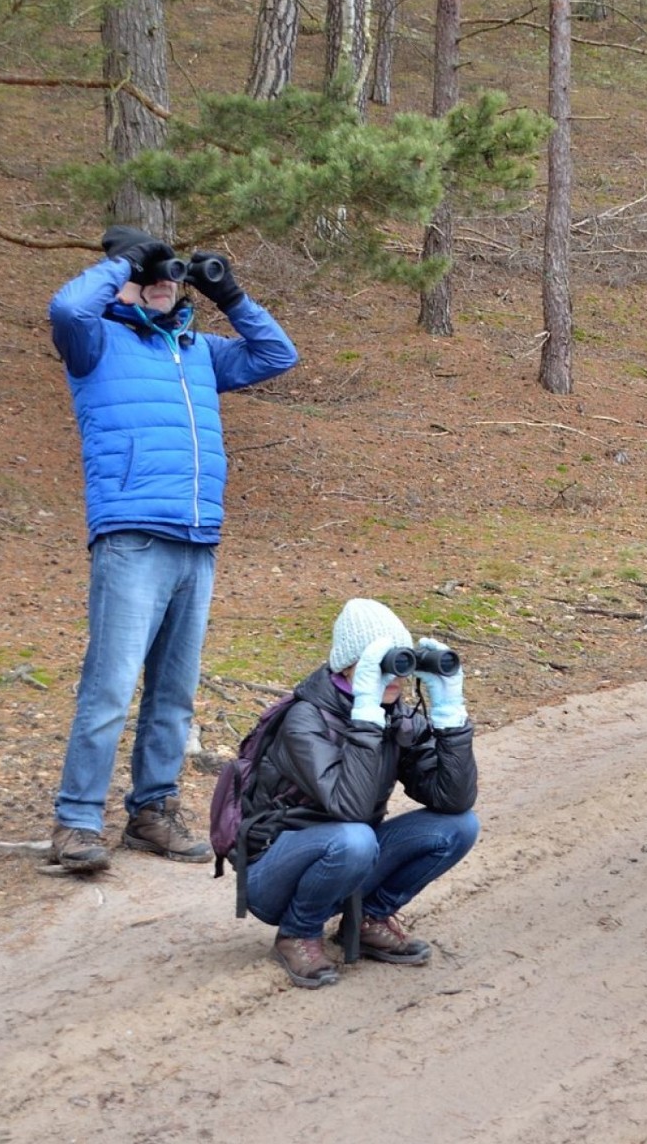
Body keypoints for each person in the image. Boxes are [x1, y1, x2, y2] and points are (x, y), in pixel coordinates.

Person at [48, 225, 298, 873]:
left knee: (174, 693)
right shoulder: (94, 340)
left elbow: (277, 355)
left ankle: (152, 813)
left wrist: (231, 294)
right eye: (149, 275)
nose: (163, 284)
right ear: (122, 276)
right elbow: (67, 307)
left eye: (172, 276)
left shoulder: (198, 350)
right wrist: (125, 264)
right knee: (109, 688)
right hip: (131, 534)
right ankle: (76, 823)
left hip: (196, 538)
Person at [242, 597, 479, 989]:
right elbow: (350, 808)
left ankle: (368, 918)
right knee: (354, 838)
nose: (397, 678)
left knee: (459, 826)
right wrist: (365, 714)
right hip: (272, 872)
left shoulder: (397, 716)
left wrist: (450, 715)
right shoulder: (305, 719)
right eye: (385, 665)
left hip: (350, 855)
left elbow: (453, 799)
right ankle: (297, 932)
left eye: (402, 664)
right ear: (351, 665)